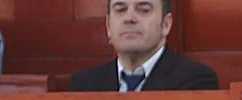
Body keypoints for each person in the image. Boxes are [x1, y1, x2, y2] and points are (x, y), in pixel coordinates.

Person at [69, 0, 218, 92]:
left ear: (166, 24)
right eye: (120, 10)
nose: (129, 18)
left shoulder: (195, 81)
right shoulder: (83, 85)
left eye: (143, 10)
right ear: (108, 26)